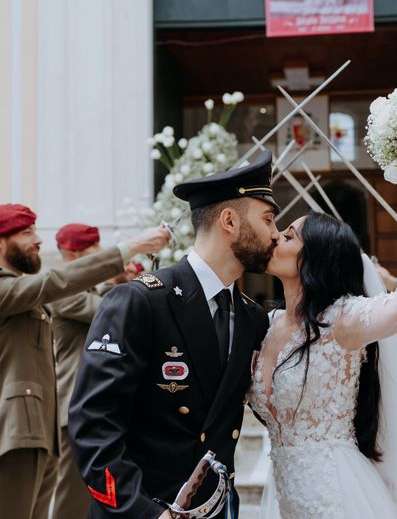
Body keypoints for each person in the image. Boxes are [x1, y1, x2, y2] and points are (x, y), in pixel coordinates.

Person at [70, 151, 280, 518]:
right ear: (229, 221)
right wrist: (143, 511)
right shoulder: (139, 302)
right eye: (267, 220)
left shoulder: (252, 319)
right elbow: (94, 425)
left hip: (214, 508)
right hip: (144, 508)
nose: (276, 234)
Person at [249, 148, 397, 518]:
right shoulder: (267, 323)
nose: (277, 239)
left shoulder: (342, 322)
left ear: (314, 258)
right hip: (287, 495)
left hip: (338, 496)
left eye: (289, 236)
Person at [0, 203, 170, 519]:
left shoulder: (19, 292)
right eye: (26, 232)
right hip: (7, 434)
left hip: (36, 433)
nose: (38, 240)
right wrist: (133, 247)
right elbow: (54, 283)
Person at [49, 223, 117, 519]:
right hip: (73, 401)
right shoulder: (60, 290)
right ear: (74, 254)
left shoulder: (84, 287)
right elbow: (106, 310)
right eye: (94, 252)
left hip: (94, 399)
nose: (100, 257)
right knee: (72, 492)